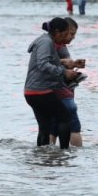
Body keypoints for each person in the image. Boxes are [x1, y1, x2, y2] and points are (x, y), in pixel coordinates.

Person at [24, 17, 80, 149]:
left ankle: (42, 153)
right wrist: (63, 72)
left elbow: (48, 62)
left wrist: (67, 65)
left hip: (32, 92)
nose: (67, 38)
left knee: (44, 126)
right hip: (40, 91)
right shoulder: (46, 42)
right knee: (65, 117)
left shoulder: (47, 41)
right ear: (57, 32)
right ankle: (64, 152)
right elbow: (42, 64)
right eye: (66, 34)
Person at [49, 17, 86, 147]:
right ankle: (77, 157)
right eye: (71, 33)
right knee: (74, 126)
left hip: (52, 93)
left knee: (52, 127)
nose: (73, 37)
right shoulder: (54, 45)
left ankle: (46, 155)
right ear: (63, 31)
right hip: (63, 93)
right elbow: (48, 64)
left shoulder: (54, 44)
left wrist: (73, 65)